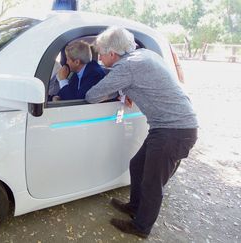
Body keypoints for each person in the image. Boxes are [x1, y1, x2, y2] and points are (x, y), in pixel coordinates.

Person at [85, 27, 198, 238]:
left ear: (112, 53)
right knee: (137, 165)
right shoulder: (143, 56)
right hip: (174, 127)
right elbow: (146, 82)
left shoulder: (127, 67)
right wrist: (125, 89)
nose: (99, 58)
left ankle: (141, 227)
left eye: (101, 53)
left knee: (152, 183)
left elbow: (93, 96)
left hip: (172, 131)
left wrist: (120, 87)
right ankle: (135, 206)